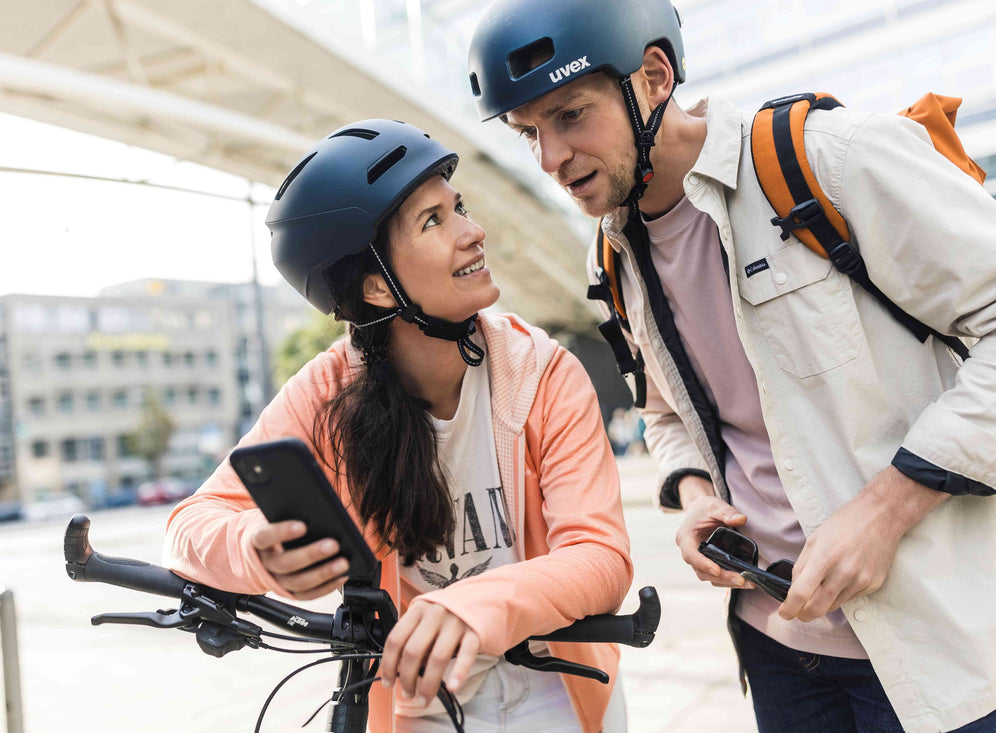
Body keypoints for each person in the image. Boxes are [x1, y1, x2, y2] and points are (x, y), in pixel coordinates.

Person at [467, 1, 996, 732]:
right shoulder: (614, 253)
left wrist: (885, 511)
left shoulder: (829, 157)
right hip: (775, 645)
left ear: (654, 76)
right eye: (530, 133)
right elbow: (662, 408)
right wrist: (691, 496)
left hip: (938, 646)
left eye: (570, 115)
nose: (551, 157)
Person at [163, 119, 633, 733]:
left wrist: (471, 607)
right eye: (434, 221)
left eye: (457, 207)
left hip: (556, 684)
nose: (474, 232)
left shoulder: (542, 374)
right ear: (379, 287)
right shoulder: (328, 394)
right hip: (418, 699)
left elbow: (600, 557)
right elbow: (189, 525)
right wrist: (256, 548)